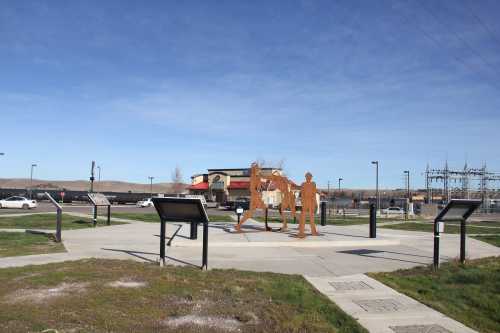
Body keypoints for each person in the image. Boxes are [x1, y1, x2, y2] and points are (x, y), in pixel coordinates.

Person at [235, 163, 266, 231]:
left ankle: (238, 225)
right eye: (257, 169)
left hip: (256, 196)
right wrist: (258, 193)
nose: (259, 170)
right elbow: (252, 188)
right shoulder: (254, 177)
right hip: (255, 196)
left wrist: (261, 187)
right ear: (255, 169)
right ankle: (266, 226)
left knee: (251, 213)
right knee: (263, 209)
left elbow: (259, 187)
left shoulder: (256, 176)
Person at [298, 172, 319, 238]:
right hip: (305, 201)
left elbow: (314, 193)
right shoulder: (303, 184)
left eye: (310, 177)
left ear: (311, 177)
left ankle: (313, 231)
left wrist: (315, 203)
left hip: (311, 201)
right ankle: (301, 231)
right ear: (305, 177)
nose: (309, 178)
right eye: (307, 177)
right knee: (303, 217)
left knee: (311, 217)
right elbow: (302, 194)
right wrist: (302, 202)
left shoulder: (313, 184)